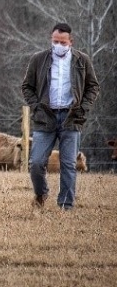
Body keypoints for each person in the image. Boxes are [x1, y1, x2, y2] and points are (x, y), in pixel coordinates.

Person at [22, 22, 99, 210]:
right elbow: (27, 87)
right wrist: (36, 106)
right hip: (45, 117)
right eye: (55, 41)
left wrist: (83, 108)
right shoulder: (38, 59)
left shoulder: (82, 60)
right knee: (37, 163)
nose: (58, 45)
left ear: (70, 41)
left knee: (68, 165)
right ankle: (41, 192)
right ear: (51, 39)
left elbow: (93, 87)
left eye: (62, 42)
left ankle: (66, 205)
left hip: (71, 117)